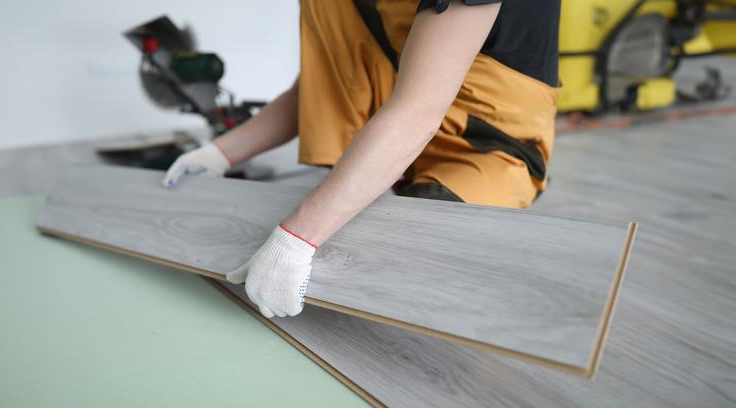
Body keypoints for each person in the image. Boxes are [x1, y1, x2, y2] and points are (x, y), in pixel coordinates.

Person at [163, 0, 561, 318]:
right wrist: (219, 154)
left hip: (490, 150)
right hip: (404, 148)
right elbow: (312, 95)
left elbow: (418, 112)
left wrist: (297, 239)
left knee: (390, 264)